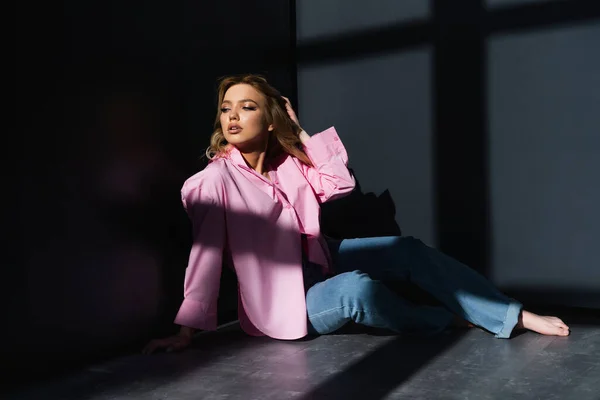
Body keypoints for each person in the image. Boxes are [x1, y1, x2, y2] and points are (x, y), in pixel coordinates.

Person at [143, 74, 569, 354]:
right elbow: (206, 256)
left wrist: (300, 130)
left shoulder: (286, 163)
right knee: (356, 292)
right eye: (226, 107)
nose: (233, 115)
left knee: (405, 249)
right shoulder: (213, 182)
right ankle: (445, 319)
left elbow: (338, 186)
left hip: (320, 256)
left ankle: (511, 314)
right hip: (287, 302)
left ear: (270, 120)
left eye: (248, 106)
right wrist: (186, 331)